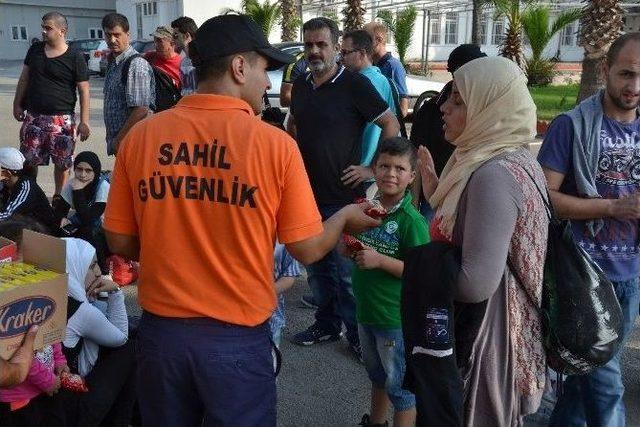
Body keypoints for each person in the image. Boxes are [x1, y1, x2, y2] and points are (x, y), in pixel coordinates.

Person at [103, 14, 380, 426]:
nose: (267, 83)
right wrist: (343, 218)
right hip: (236, 340)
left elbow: (120, 240)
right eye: (263, 69)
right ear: (238, 67)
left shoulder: (141, 137)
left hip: (162, 338)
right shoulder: (276, 147)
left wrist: (171, 240)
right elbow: (306, 248)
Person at [418, 56, 548, 425]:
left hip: (490, 341)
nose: (443, 107)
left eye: (458, 101)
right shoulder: (509, 156)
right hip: (501, 329)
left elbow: (475, 283)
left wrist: (412, 268)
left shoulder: (494, 174)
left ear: (488, 108)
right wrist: (434, 192)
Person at [537, 32, 640, 427]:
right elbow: (545, 197)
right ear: (605, 70)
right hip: (582, 277)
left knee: (583, 386)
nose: (633, 87)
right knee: (607, 386)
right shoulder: (571, 127)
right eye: (625, 74)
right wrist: (612, 206)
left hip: (628, 276)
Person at [287, 17, 400, 359]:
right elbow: (294, 123)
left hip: (341, 199)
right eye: (309, 45)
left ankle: (355, 334)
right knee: (317, 270)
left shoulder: (354, 84)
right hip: (306, 194)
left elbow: (390, 122)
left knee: (344, 272)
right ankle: (326, 323)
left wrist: (372, 168)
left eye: (321, 44)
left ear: (337, 47)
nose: (314, 51)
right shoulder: (304, 84)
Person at [348, 137, 428, 427]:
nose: (390, 174)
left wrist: (380, 261)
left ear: (412, 175)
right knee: (377, 376)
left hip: (394, 318)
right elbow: (359, 245)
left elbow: (422, 274)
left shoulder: (411, 221)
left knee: (401, 390)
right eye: (384, 166)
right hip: (366, 312)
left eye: (399, 168)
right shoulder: (367, 209)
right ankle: (376, 421)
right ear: (374, 168)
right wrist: (350, 247)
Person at [13, 11, 90, 196]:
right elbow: (24, 79)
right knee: (29, 162)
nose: (43, 31)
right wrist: (17, 103)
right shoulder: (35, 50)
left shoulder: (75, 56)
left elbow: (84, 90)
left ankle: (58, 200)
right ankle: (29, 198)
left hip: (62, 121)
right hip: (34, 118)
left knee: (62, 165)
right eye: (43, 27)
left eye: (48, 28)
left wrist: (84, 121)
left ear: (62, 31)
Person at [61, 237, 135, 427]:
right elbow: (121, 337)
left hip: (55, 400)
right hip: (73, 407)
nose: (98, 272)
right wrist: (116, 292)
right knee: (133, 347)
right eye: (91, 265)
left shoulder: (55, 296)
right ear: (74, 266)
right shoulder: (79, 310)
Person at [410, 44, 486, 216]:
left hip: (473, 201)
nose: (446, 109)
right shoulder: (430, 110)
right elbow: (417, 157)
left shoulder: (488, 110)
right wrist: (413, 207)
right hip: (435, 201)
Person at [340, 29, 397, 186]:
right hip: (367, 172)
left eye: (345, 53)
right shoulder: (382, 79)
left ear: (361, 53)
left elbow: (392, 125)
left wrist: (372, 168)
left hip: (359, 173)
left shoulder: (361, 83)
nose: (341, 58)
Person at [102, 13, 155, 156]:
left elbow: (141, 109)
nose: (112, 40)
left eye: (117, 35)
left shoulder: (136, 64)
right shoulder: (114, 63)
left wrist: (119, 140)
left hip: (133, 143)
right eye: (108, 35)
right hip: (122, 144)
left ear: (128, 35)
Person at [53, 151, 110, 274]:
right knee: (59, 229)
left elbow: (89, 218)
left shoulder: (103, 186)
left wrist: (78, 191)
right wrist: (61, 219)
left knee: (90, 232)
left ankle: (104, 274)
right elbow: (59, 211)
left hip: (105, 232)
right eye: (79, 169)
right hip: (84, 224)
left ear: (95, 171)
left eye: (88, 171)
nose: (82, 175)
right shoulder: (71, 184)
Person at [0, 342, 67, 426]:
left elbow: (52, 332)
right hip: (20, 398)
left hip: (49, 385)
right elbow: (14, 350)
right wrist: (46, 380)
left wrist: (59, 359)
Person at [0, 147, 56, 231]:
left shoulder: (26, 187)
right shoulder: (5, 182)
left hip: (41, 232)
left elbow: (6, 215)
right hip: (21, 226)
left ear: (7, 174)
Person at [364, 22, 409, 117]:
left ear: (379, 39)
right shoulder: (369, 66)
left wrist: (387, 124)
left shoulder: (393, 66)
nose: (364, 44)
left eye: (367, 39)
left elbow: (403, 109)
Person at [269, 242, 302, 347]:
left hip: (271, 317)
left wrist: (264, 293)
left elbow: (289, 276)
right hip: (230, 319)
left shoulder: (282, 240)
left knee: (271, 356)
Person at [144, 26, 182, 91]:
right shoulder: (149, 56)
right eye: (155, 41)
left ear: (172, 43)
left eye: (159, 41)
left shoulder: (182, 64)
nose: (155, 45)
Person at [171, 16, 198, 95]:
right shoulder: (184, 62)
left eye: (176, 35)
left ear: (186, 36)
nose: (172, 39)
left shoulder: (204, 60)